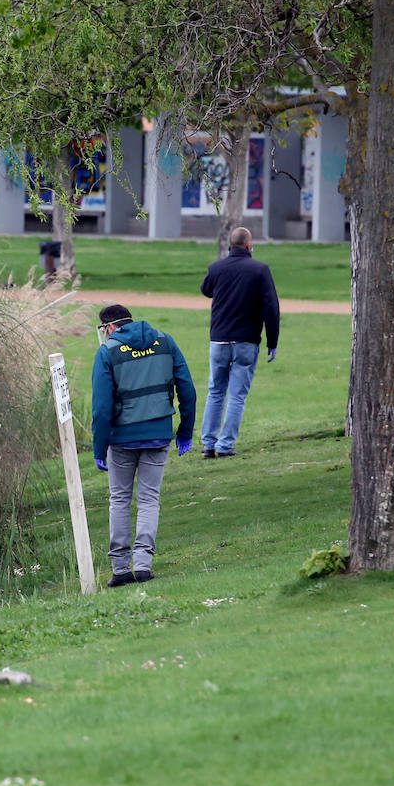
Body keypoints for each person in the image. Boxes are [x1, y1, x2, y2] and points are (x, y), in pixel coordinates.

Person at [91, 304, 197, 588]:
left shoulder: (107, 352)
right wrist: (184, 431)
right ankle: (143, 564)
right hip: (158, 433)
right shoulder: (165, 341)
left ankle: (120, 568)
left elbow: (101, 409)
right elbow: (187, 389)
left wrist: (99, 449)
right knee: (149, 499)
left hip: (121, 439)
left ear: (109, 327)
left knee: (120, 500)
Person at [199, 226, 280, 458]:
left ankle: (208, 443)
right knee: (236, 395)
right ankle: (225, 445)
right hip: (246, 340)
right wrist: (272, 342)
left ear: (229, 245)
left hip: (219, 340)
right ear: (248, 245)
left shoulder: (216, 268)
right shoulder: (259, 270)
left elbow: (206, 289)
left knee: (215, 391)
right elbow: (271, 308)